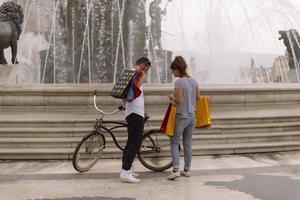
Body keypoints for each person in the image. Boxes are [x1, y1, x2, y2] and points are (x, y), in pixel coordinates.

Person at [167, 56, 200, 180]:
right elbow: (198, 97)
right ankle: (187, 170)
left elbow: (179, 100)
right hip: (192, 116)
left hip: (181, 116)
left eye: (173, 70)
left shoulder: (179, 82)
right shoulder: (193, 81)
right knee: (188, 144)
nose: (172, 72)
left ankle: (176, 169)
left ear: (178, 69)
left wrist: (171, 98)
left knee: (174, 142)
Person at [120, 57, 151, 183]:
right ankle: (126, 171)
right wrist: (143, 75)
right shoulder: (138, 73)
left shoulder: (129, 73)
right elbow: (138, 86)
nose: (146, 72)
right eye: (146, 69)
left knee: (131, 141)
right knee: (136, 142)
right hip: (135, 112)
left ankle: (126, 169)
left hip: (131, 112)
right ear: (142, 65)